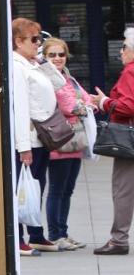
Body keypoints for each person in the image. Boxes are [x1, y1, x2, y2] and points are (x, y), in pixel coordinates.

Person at [11, 18, 59, 255]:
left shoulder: (32, 64)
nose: (38, 43)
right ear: (18, 41)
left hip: (42, 137)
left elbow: (59, 84)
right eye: (33, 39)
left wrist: (43, 62)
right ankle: (19, 238)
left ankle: (36, 233)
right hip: (28, 138)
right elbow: (19, 108)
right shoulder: (17, 66)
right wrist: (23, 147)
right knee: (23, 189)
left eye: (39, 38)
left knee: (37, 186)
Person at [42, 37, 95, 251]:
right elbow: (68, 105)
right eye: (52, 54)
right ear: (45, 57)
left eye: (61, 54)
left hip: (75, 142)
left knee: (67, 190)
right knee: (57, 189)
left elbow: (86, 100)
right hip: (59, 141)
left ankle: (63, 231)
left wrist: (82, 105)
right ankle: (55, 235)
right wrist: (81, 106)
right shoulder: (47, 77)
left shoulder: (68, 77)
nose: (57, 58)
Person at [91, 37, 134, 255]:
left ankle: (119, 240)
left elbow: (127, 106)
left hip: (129, 142)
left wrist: (103, 102)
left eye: (124, 46)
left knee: (123, 190)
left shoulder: (130, 71)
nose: (121, 51)